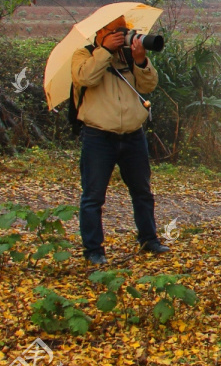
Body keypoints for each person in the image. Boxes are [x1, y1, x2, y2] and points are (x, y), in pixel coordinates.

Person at [71, 16, 169, 265]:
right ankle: (94, 251)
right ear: (100, 32)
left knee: (142, 192)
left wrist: (140, 59)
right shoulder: (83, 56)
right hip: (98, 137)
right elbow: (86, 79)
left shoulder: (127, 58)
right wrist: (104, 50)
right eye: (114, 31)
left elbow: (149, 85)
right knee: (93, 197)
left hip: (133, 136)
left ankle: (149, 239)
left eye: (123, 30)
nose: (120, 35)